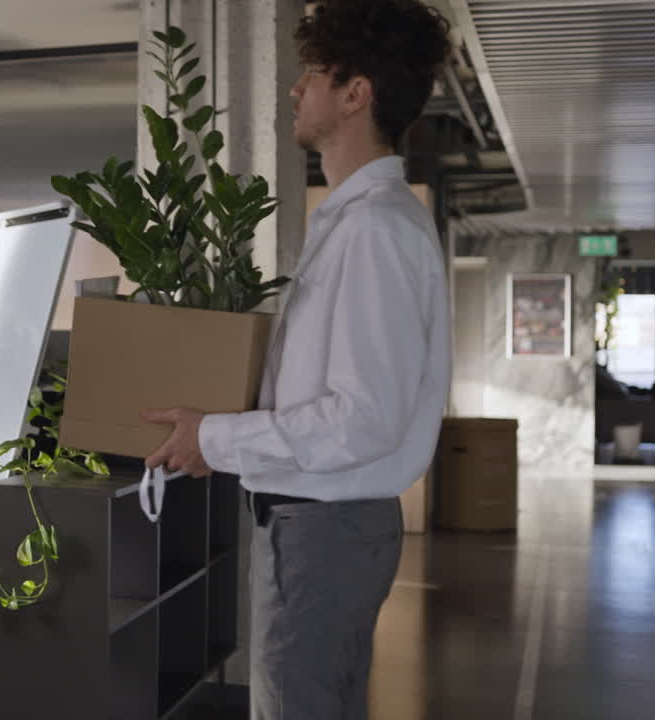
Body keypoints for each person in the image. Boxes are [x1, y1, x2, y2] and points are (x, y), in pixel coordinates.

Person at [141, 1, 453, 717]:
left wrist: (215, 437)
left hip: (325, 529)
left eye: (314, 71)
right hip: (314, 525)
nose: (294, 87)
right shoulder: (352, 219)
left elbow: (362, 420)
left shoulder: (374, 229)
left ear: (355, 93)